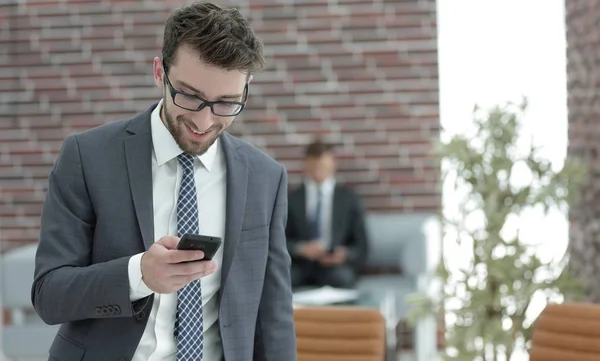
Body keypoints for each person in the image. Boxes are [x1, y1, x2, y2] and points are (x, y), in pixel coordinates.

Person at [31, 2, 296, 361]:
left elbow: (273, 315)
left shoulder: (267, 177)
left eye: (226, 103)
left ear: (246, 89)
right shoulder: (87, 156)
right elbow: (49, 294)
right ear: (160, 72)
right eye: (189, 96)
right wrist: (138, 274)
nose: (204, 121)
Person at [286, 139, 369, 289]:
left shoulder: (349, 199)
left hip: (335, 267)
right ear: (305, 165)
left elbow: (362, 248)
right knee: (281, 280)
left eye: (323, 165)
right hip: (300, 265)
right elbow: (279, 240)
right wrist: (301, 248)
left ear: (333, 164)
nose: (318, 170)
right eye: (314, 165)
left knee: (343, 278)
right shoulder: (290, 199)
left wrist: (344, 254)